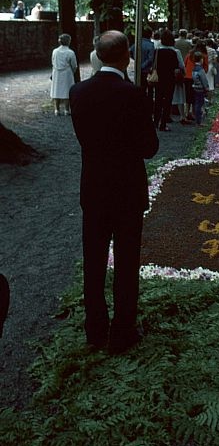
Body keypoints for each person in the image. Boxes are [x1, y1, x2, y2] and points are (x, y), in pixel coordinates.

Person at [69, 30, 159, 354]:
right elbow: (150, 147)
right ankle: (122, 332)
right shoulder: (134, 95)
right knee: (125, 263)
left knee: (93, 263)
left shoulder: (77, 92)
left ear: (97, 55)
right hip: (127, 191)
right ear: (126, 57)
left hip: (93, 189)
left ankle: (94, 329)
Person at [154, 29, 183, 131]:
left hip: (159, 78)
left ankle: (156, 121)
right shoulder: (173, 52)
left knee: (158, 99)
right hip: (170, 79)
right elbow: (179, 66)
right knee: (167, 101)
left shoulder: (157, 51)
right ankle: (163, 123)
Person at [50, 33, 77, 115]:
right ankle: (66, 110)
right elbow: (74, 64)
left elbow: (52, 61)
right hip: (66, 73)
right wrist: (73, 71)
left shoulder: (55, 51)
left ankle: (57, 110)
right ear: (68, 41)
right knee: (66, 91)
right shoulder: (70, 52)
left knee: (56, 90)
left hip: (56, 72)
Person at [192, 51, 209, 125]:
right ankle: (199, 121)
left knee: (196, 103)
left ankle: (197, 119)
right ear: (201, 59)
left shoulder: (194, 68)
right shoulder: (201, 70)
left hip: (195, 87)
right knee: (200, 104)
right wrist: (206, 88)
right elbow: (204, 80)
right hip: (201, 88)